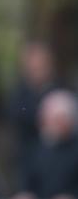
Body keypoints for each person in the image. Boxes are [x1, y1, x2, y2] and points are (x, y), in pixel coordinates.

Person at [10, 90, 78, 199]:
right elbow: (27, 181)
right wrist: (24, 197)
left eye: (58, 119)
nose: (52, 124)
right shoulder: (35, 149)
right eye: (48, 119)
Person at [8, 41, 61, 175]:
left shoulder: (61, 89)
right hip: (30, 160)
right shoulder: (19, 96)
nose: (38, 70)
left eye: (41, 65)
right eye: (34, 67)